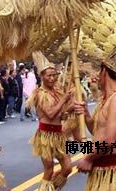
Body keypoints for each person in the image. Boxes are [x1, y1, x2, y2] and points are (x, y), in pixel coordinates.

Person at [74, 40, 116, 191]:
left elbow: (110, 141)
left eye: (98, 72)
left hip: (113, 171)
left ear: (104, 71)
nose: (97, 77)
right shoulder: (107, 100)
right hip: (102, 169)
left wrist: (88, 159)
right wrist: (86, 115)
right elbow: (98, 132)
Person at [26, 52, 73, 190]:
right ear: (42, 76)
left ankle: (50, 187)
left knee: (67, 167)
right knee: (49, 170)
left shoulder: (56, 92)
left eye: (54, 75)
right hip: (46, 136)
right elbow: (51, 113)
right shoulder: (40, 94)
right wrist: (64, 100)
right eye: (49, 76)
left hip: (58, 136)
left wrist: (68, 110)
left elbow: (59, 115)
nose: (52, 78)